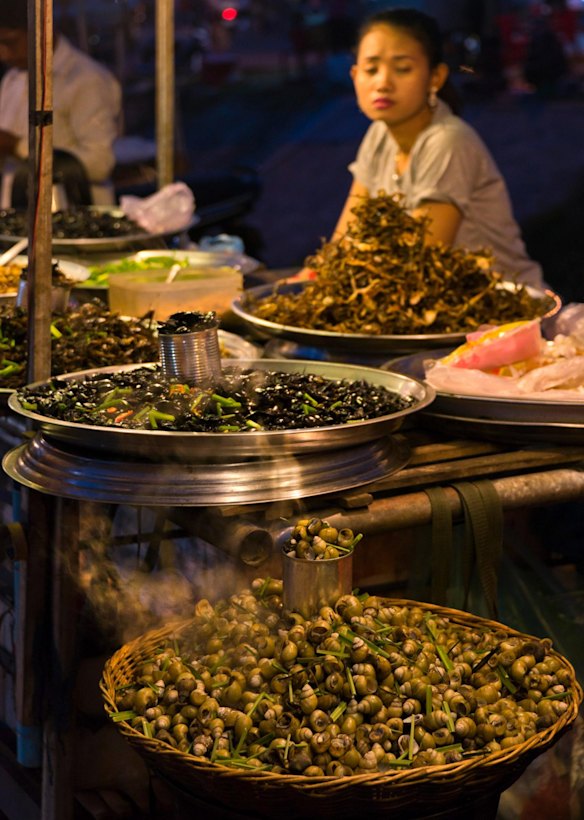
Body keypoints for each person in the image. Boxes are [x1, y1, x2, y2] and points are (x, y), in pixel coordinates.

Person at [302, 7, 543, 287]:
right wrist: (309, 278)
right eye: (371, 69)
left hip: (500, 309)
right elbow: (345, 239)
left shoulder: (449, 141)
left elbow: (420, 260)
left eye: (402, 69)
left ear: (436, 78)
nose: (382, 83)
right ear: (355, 75)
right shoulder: (378, 135)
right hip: (412, 299)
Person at [0, 3, 122, 206]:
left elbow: (101, 163)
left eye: (10, 43)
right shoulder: (13, 78)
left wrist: (17, 146)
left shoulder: (86, 79)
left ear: (40, 30)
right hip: (18, 218)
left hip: (71, 221)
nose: (3, 54)